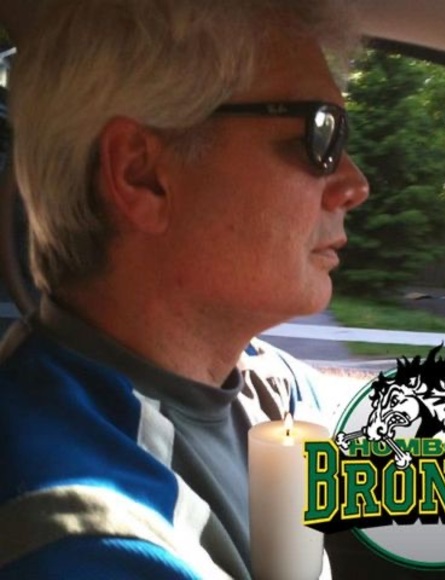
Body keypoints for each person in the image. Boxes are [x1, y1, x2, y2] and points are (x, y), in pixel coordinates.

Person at [0, 0, 369, 578]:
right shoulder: (93, 539)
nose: (355, 184)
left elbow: (366, 417)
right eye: (320, 132)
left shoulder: (253, 380)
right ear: (143, 175)